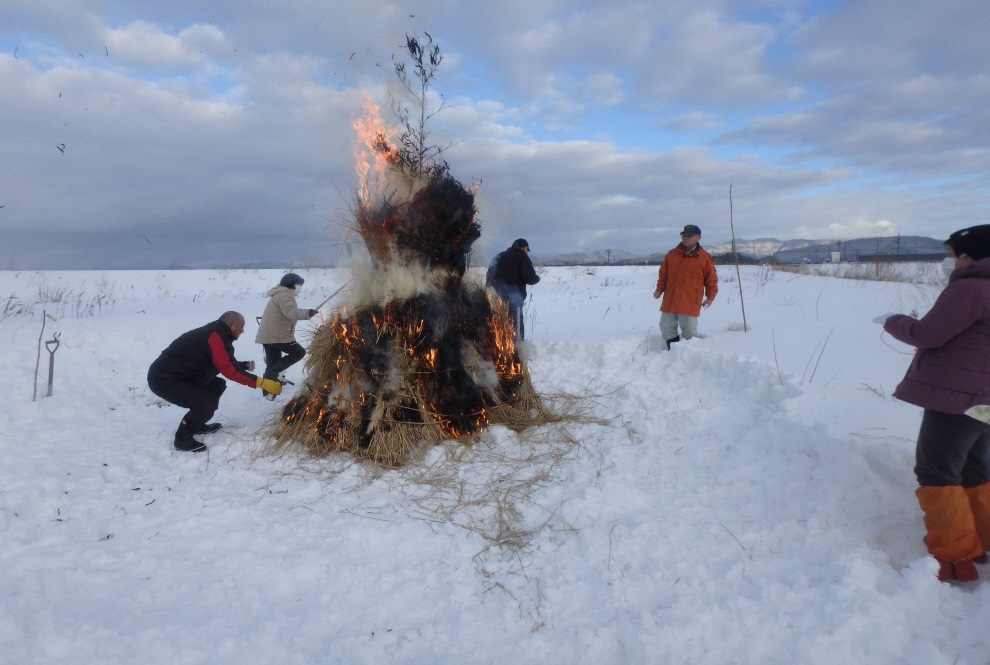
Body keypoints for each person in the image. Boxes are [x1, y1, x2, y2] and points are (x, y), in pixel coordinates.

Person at [881, 224, 990, 582]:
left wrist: (893, 321)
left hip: (958, 397)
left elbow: (928, 334)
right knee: (975, 469)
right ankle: (983, 540)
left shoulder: (972, 289)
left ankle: (956, 557)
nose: (948, 261)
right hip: (984, 399)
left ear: (971, 256)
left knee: (937, 471)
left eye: (951, 254)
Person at [148, 311, 283, 453]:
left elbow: (219, 360)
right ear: (231, 325)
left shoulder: (217, 333)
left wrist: (240, 365)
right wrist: (260, 383)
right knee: (205, 402)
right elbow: (229, 371)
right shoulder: (215, 337)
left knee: (217, 385)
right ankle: (182, 439)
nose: (243, 330)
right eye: (242, 326)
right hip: (164, 379)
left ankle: (197, 423)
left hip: (183, 375)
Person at [652, 224, 718, 349]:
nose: (685, 238)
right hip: (670, 299)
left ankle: (688, 358)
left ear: (698, 238)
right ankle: (672, 352)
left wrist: (710, 297)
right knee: (666, 327)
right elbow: (663, 275)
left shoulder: (704, 257)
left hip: (689, 300)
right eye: (684, 235)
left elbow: (711, 279)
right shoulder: (672, 254)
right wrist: (659, 289)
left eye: (690, 236)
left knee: (689, 332)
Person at [255, 273, 319, 400]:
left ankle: (269, 394)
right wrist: (307, 312)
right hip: (277, 336)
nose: (300, 287)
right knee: (299, 352)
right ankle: (272, 374)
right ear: (292, 285)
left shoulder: (279, 294)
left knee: (273, 363)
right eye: (299, 284)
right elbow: (290, 312)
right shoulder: (285, 295)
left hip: (268, 336)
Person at [487, 238, 540, 340]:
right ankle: (517, 347)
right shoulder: (522, 257)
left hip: (496, 296)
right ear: (524, 247)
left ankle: (501, 345)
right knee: (516, 322)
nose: (526, 251)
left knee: (499, 321)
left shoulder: (499, 256)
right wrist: (537, 278)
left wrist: (490, 291)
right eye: (527, 249)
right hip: (514, 298)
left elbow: (489, 276)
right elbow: (530, 278)